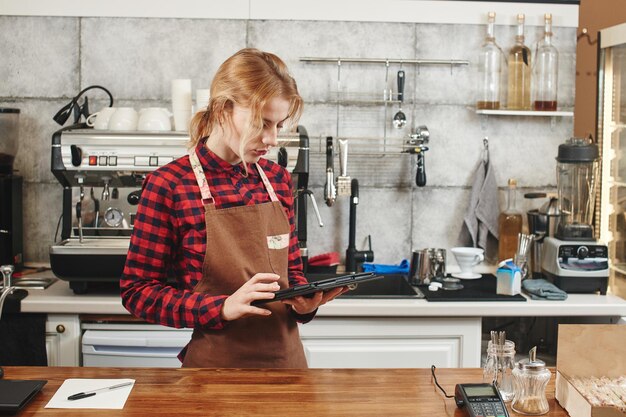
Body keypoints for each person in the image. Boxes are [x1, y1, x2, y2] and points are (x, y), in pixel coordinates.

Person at [120, 48, 345, 368]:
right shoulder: (169, 185)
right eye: (261, 123)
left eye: (278, 125)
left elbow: (292, 274)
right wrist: (221, 308)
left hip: (287, 368)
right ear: (224, 109)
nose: (272, 139)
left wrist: (304, 304)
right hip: (214, 375)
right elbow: (137, 292)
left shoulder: (278, 180)